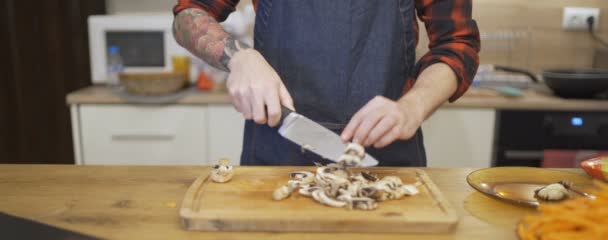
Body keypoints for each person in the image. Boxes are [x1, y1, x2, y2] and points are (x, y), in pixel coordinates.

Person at [173, 0, 480, 166]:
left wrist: (413, 107)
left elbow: (457, 44)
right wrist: (238, 57)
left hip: (386, 156)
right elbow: (188, 14)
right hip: (278, 150)